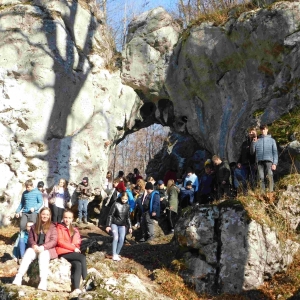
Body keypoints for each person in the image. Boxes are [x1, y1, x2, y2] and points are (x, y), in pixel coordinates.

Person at [12, 207, 58, 291]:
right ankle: (19, 276)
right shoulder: (34, 226)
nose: (45, 216)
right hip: (35, 248)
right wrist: (34, 245)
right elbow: (30, 239)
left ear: (50, 216)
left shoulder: (53, 227)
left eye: (47, 214)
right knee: (29, 251)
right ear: (40, 215)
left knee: (43, 255)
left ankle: (43, 281)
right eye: (43, 214)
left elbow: (53, 241)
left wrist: (43, 247)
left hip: (46, 249)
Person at [56, 210, 87, 295]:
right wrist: (73, 248)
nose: (67, 220)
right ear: (63, 218)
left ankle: (76, 288)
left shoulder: (75, 230)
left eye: (69, 218)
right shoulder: (59, 227)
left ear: (72, 219)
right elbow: (60, 241)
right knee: (82, 257)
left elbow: (78, 242)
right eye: (65, 217)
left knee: (78, 264)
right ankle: (86, 282)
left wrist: (75, 246)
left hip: (71, 252)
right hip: (62, 251)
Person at [250, 124, 278, 193]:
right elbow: (252, 152)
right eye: (261, 129)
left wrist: (275, 163)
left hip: (269, 161)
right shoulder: (257, 140)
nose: (263, 131)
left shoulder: (272, 140)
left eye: (264, 129)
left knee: (269, 176)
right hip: (259, 161)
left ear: (267, 130)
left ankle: (271, 192)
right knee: (261, 178)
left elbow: (275, 153)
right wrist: (253, 142)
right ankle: (262, 193)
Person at [106, 192, 132, 261]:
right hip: (114, 223)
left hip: (122, 225)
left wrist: (130, 227)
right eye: (123, 199)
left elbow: (128, 217)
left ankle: (117, 253)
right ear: (121, 197)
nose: (124, 200)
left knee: (122, 239)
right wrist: (108, 225)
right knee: (116, 237)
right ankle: (114, 254)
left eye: (126, 199)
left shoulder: (128, 206)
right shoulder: (115, 204)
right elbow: (110, 215)